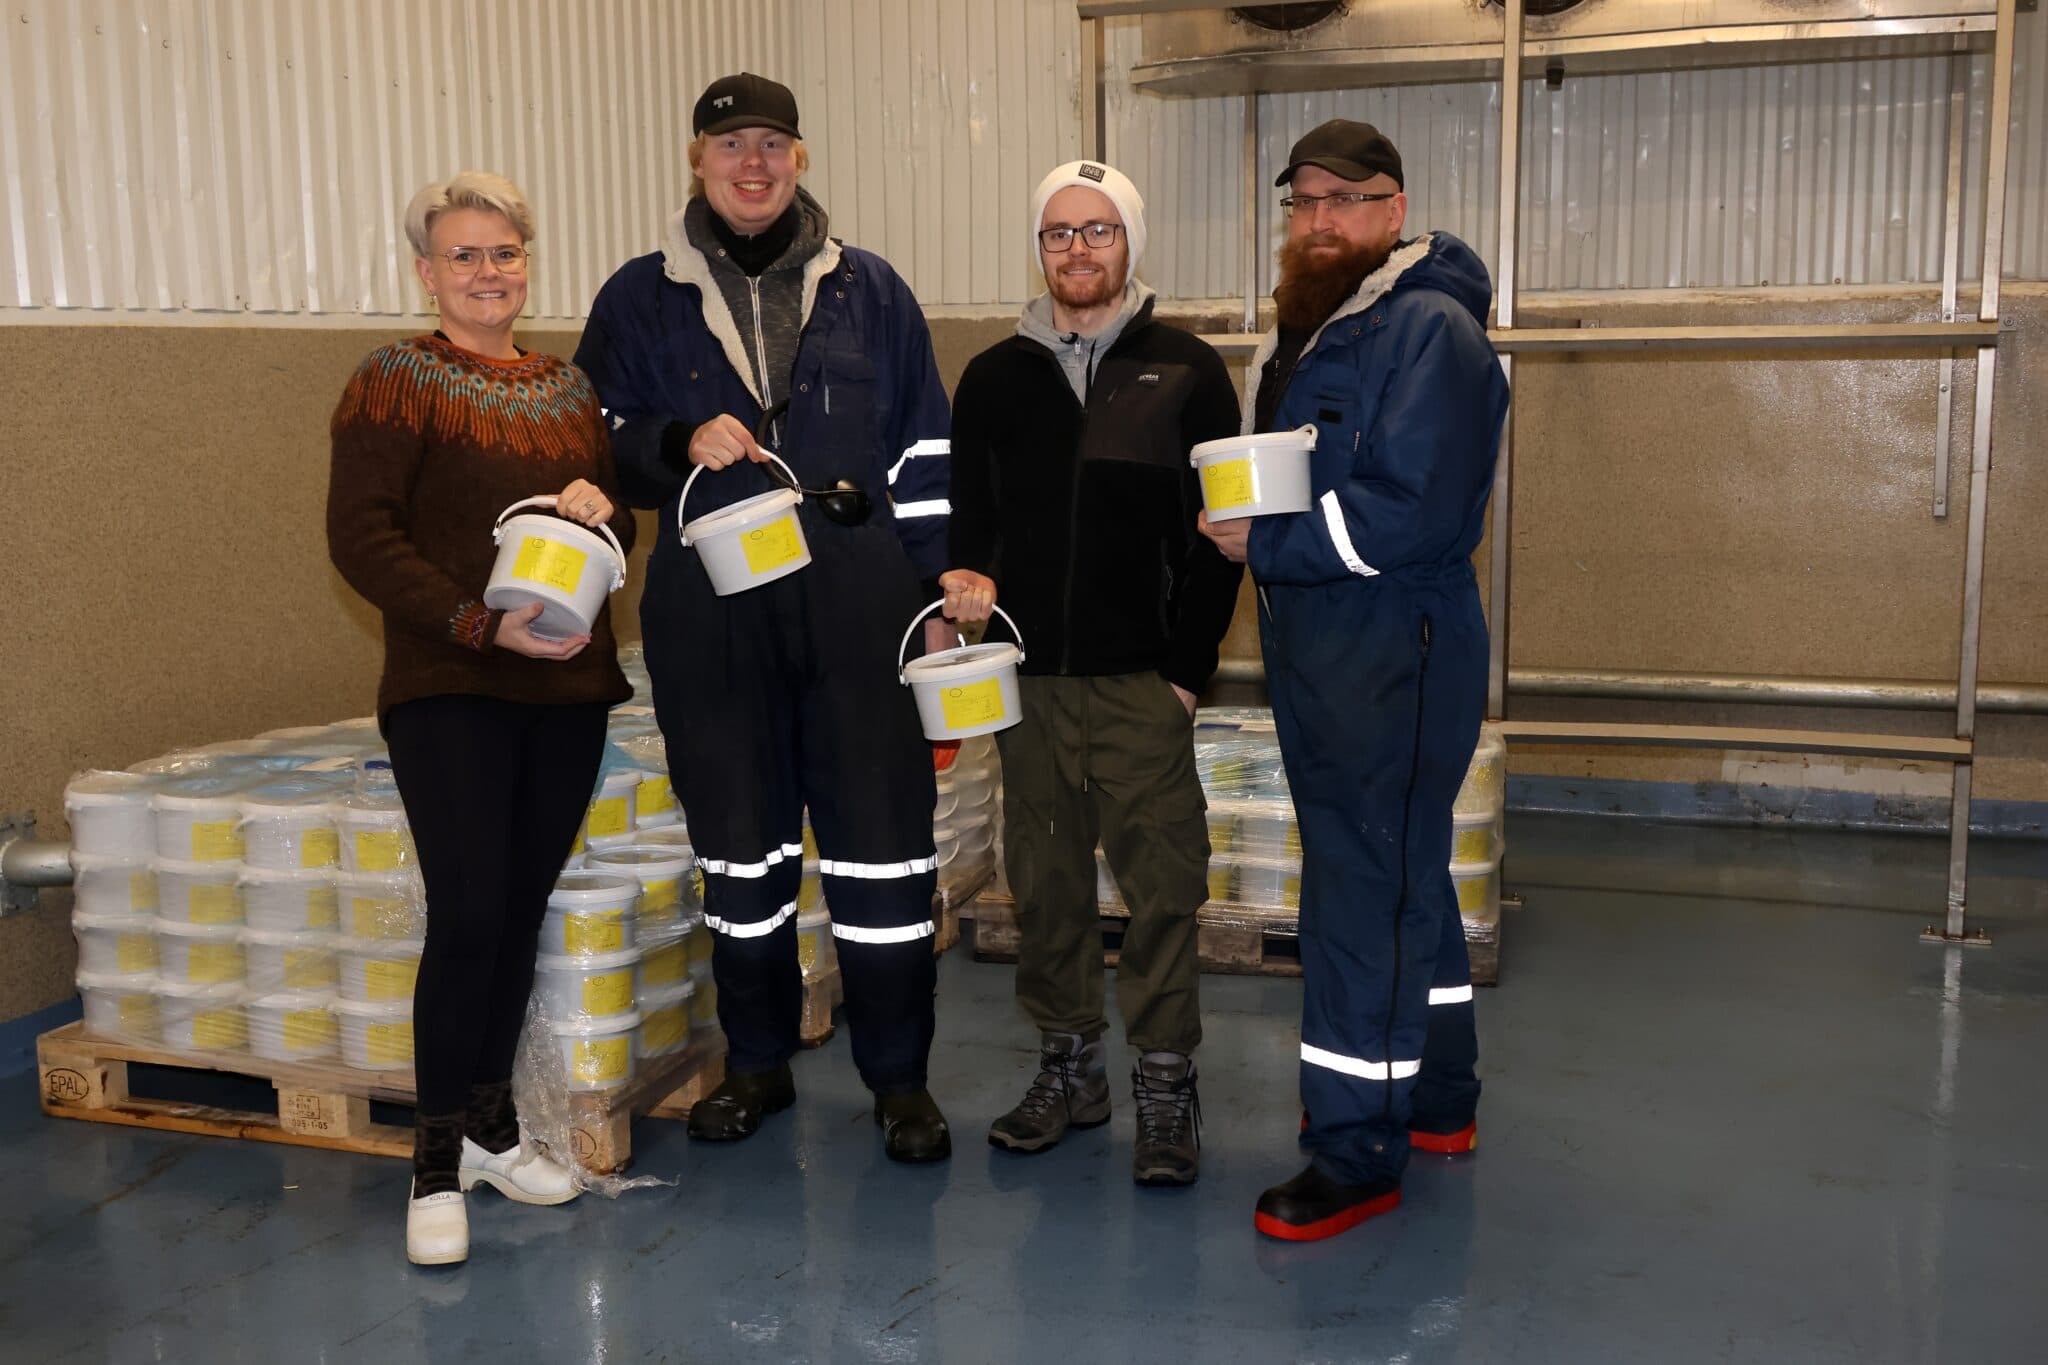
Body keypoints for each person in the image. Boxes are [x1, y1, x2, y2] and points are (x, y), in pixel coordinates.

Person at [574, 73, 956, 1162]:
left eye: (772, 144)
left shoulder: (871, 290)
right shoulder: (638, 297)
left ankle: (899, 1081)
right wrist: (672, 439)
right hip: (714, 609)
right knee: (741, 860)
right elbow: (594, 437)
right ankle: (755, 1063)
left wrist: (934, 596)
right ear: (696, 160)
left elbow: (926, 451)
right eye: (731, 144)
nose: (754, 163)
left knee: (883, 861)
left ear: (800, 158)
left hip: (860, 605)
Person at [1197, 120, 1508, 1240]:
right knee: (1402, 873)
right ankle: (1437, 1099)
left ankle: (1355, 1147)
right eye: (1304, 202)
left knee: (1358, 893)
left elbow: (1413, 511)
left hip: (1391, 646)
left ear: (1395, 210)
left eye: (1345, 198)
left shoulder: (1428, 330)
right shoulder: (1322, 325)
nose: (1320, 219)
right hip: (1331, 647)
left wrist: (1265, 543)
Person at [328, 171, 635, 1266]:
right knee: (465, 917)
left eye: (504, 252)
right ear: (427, 271)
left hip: (566, 692)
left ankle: (491, 1131)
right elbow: (362, 537)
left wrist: (603, 507)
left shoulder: (566, 388)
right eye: (464, 255)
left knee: (516, 911)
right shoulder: (395, 380)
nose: (487, 272)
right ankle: (432, 1164)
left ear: (526, 264)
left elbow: (615, 538)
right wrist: (476, 625)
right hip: (451, 687)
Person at [943, 161, 1242, 1186]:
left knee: (1162, 882)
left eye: (1098, 230)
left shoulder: (1188, 371)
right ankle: (1068, 1067)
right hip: (1027, 681)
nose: (1077, 249)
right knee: (1046, 879)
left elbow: (1220, 537)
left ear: (1130, 243)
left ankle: (1163, 1078)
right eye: (1058, 232)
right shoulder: (993, 378)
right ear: (1039, 248)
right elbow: (970, 521)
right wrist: (965, 587)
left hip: (1139, 680)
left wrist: (1184, 672)